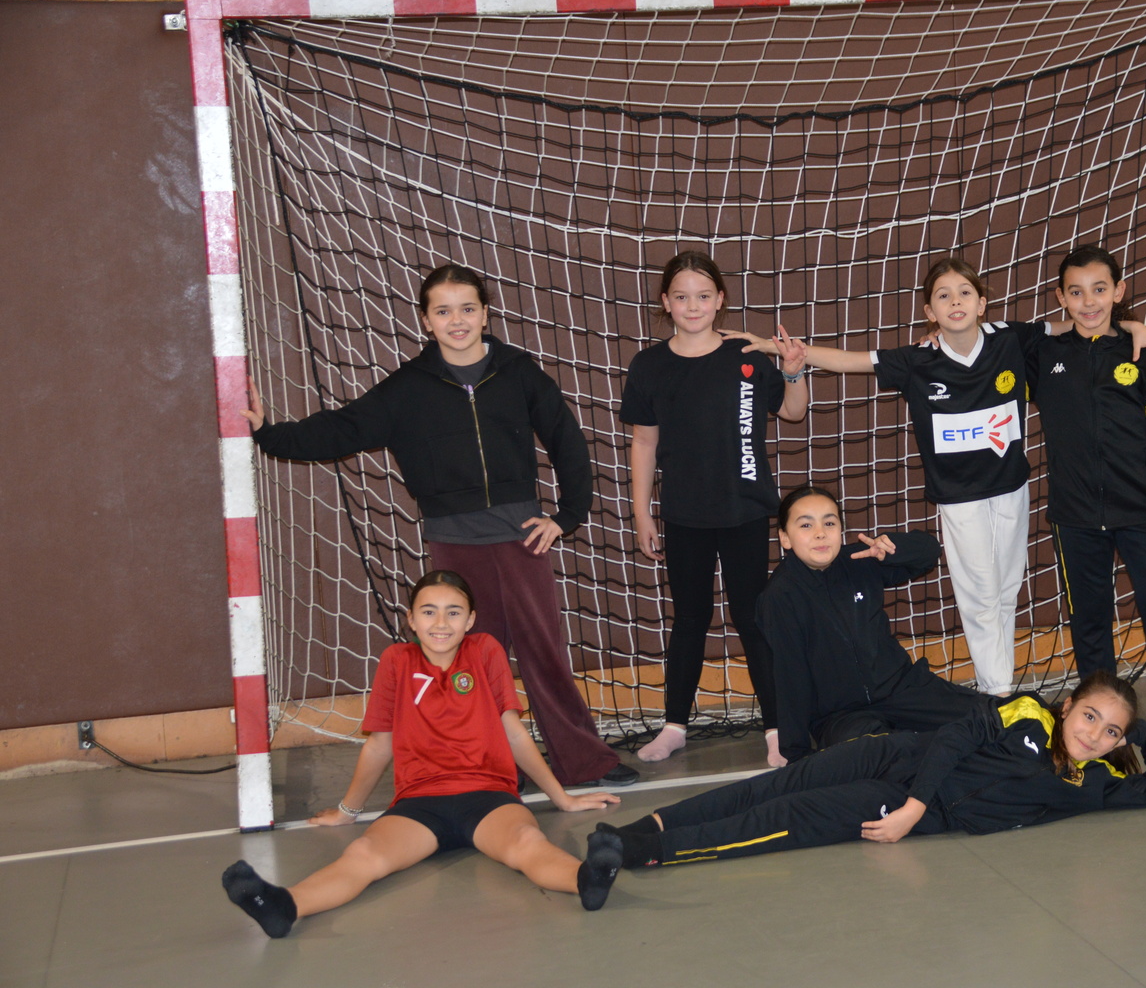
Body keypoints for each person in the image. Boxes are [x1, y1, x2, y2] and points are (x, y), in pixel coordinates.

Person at [244, 263, 637, 786]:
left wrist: (566, 516)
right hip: (455, 545)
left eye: (468, 309)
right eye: (444, 311)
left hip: (522, 539)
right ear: (426, 321)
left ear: (486, 314)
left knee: (544, 654)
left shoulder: (518, 373)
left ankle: (584, 762)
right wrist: (269, 433)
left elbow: (567, 440)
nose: (458, 321)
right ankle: (492, 765)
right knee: (470, 661)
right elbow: (343, 429)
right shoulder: (408, 388)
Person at [731, 258, 1146, 697]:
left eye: (964, 293)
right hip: (960, 499)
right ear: (929, 311)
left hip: (1012, 489)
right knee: (979, 596)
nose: (955, 301)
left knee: (1006, 590)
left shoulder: (1010, 337)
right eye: (943, 295)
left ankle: (1000, 686)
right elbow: (850, 361)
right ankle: (997, 693)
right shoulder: (918, 359)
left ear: (981, 303)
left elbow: (1079, 325)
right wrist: (782, 349)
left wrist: (1134, 327)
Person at [222, 571, 625, 937]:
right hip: (419, 803)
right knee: (364, 854)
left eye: (454, 612)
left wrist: (562, 798)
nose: (441, 622)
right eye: (429, 612)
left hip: (488, 797)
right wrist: (348, 810)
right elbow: (379, 744)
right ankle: (285, 907)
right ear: (412, 620)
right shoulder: (396, 660)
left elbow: (514, 733)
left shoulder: (485, 650)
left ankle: (585, 880)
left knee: (526, 842)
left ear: (470, 620)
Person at [579, 670, 1146, 872]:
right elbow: (953, 739)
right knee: (774, 783)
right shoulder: (1028, 714)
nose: (1093, 734)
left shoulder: (1090, 784)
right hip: (899, 759)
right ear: (1067, 705)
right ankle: (641, 829)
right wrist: (914, 807)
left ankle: (642, 854)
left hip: (914, 808)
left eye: (1111, 732)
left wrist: (1141, 728)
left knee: (787, 816)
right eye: (1091, 715)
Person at [620, 251, 809, 767]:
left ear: (720, 299)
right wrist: (642, 512)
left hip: (744, 509)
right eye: (681, 296)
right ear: (665, 302)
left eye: (703, 296)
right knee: (690, 618)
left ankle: (776, 728)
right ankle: (675, 726)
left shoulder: (746, 355)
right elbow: (643, 443)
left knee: (752, 617)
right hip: (684, 515)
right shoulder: (650, 366)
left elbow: (792, 412)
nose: (692, 305)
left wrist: (793, 373)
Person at [1028, 245, 1146, 736]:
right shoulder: (1044, 356)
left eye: (1099, 289)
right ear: (1061, 298)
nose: (1088, 301)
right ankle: (1102, 714)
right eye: (1076, 292)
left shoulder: (1142, 356)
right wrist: (939, 338)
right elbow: (987, 348)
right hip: (1074, 515)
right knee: (1090, 619)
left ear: (1118, 291)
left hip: (1142, 510)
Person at [760, 484, 985, 764]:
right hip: (842, 717)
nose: (820, 533)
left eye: (829, 523)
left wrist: (892, 549)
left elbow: (929, 552)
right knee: (878, 756)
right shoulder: (780, 596)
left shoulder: (861, 559)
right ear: (785, 538)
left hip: (905, 692)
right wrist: (796, 754)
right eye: (806, 525)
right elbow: (790, 676)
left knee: (995, 717)